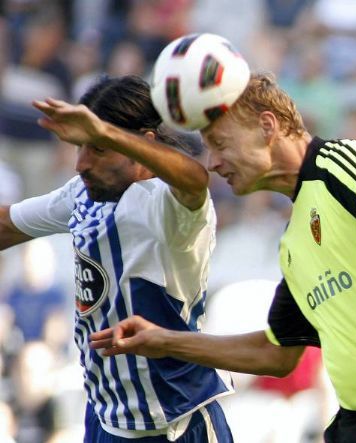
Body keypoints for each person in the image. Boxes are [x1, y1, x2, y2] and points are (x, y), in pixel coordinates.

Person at [91, 71, 356, 442]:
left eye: (219, 143)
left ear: (267, 126)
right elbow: (276, 354)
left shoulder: (344, 163)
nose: (213, 163)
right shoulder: (293, 246)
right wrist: (163, 341)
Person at [0, 75, 234, 442]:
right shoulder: (83, 195)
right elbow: (7, 225)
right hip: (106, 418)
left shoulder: (168, 207)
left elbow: (195, 180)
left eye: (98, 149)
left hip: (172, 423)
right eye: (80, 148)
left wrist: (110, 134)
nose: (81, 164)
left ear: (143, 145)